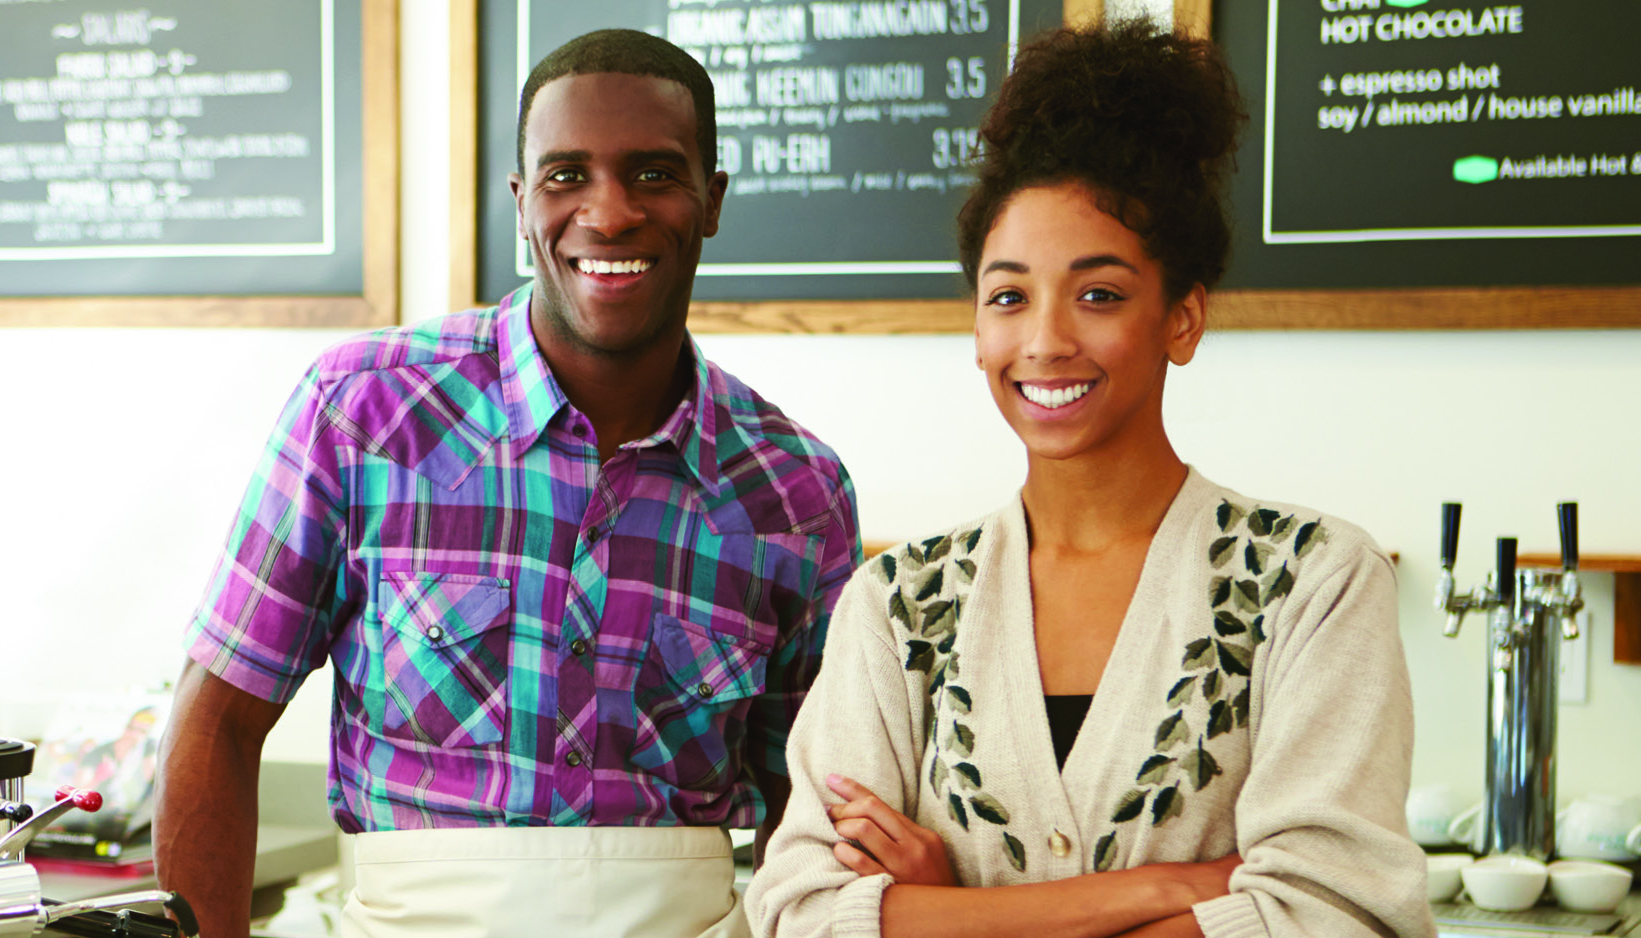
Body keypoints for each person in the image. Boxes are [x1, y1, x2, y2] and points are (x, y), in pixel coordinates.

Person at [157, 28, 860, 938]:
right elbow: (216, 724)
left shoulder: (796, 492)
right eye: (568, 176)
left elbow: (801, 812)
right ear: (522, 203)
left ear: (711, 199)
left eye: (654, 173)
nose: (609, 214)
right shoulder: (364, 410)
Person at [745, 21, 1433, 938]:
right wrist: (1168, 888)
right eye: (1008, 295)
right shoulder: (898, 604)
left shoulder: (1313, 581)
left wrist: (952, 911)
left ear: (1182, 318)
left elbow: (1331, 913)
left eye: (1099, 293)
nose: (1045, 341)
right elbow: (802, 914)